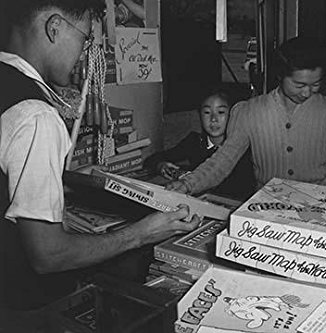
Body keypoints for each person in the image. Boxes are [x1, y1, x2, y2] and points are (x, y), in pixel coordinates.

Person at [0, 0, 199, 310]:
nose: (84, 53)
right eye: (85, 38)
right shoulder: (36, 116)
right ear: (54, 28)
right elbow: (48, 255)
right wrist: (143, 233)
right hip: (19, 306)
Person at [167, 36, 326, 195]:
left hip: (317, 206)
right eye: (299, 85)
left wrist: (315, 200)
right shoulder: (249, 111)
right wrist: (187, 184)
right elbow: (223, 160)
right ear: (281, 76)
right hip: (265, 206)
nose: (307, 93)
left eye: (315, 84)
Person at [144, 89, 256, 200]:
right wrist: (161, 165)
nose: (213, 119)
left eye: (220, 112)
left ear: (232, 116)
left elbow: (243, 188)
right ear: (200, 116)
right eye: (207, 112)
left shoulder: (242, 148)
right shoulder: (195, 142)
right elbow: (153, 159)